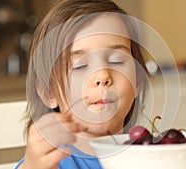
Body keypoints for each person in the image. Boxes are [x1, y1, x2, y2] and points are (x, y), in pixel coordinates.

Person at [15, 0, 152, 168]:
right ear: (47, 92)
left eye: (116, 61)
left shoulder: (151, 155)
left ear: (137, 81)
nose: (102, 76)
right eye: (80, 65)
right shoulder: (49, 165)